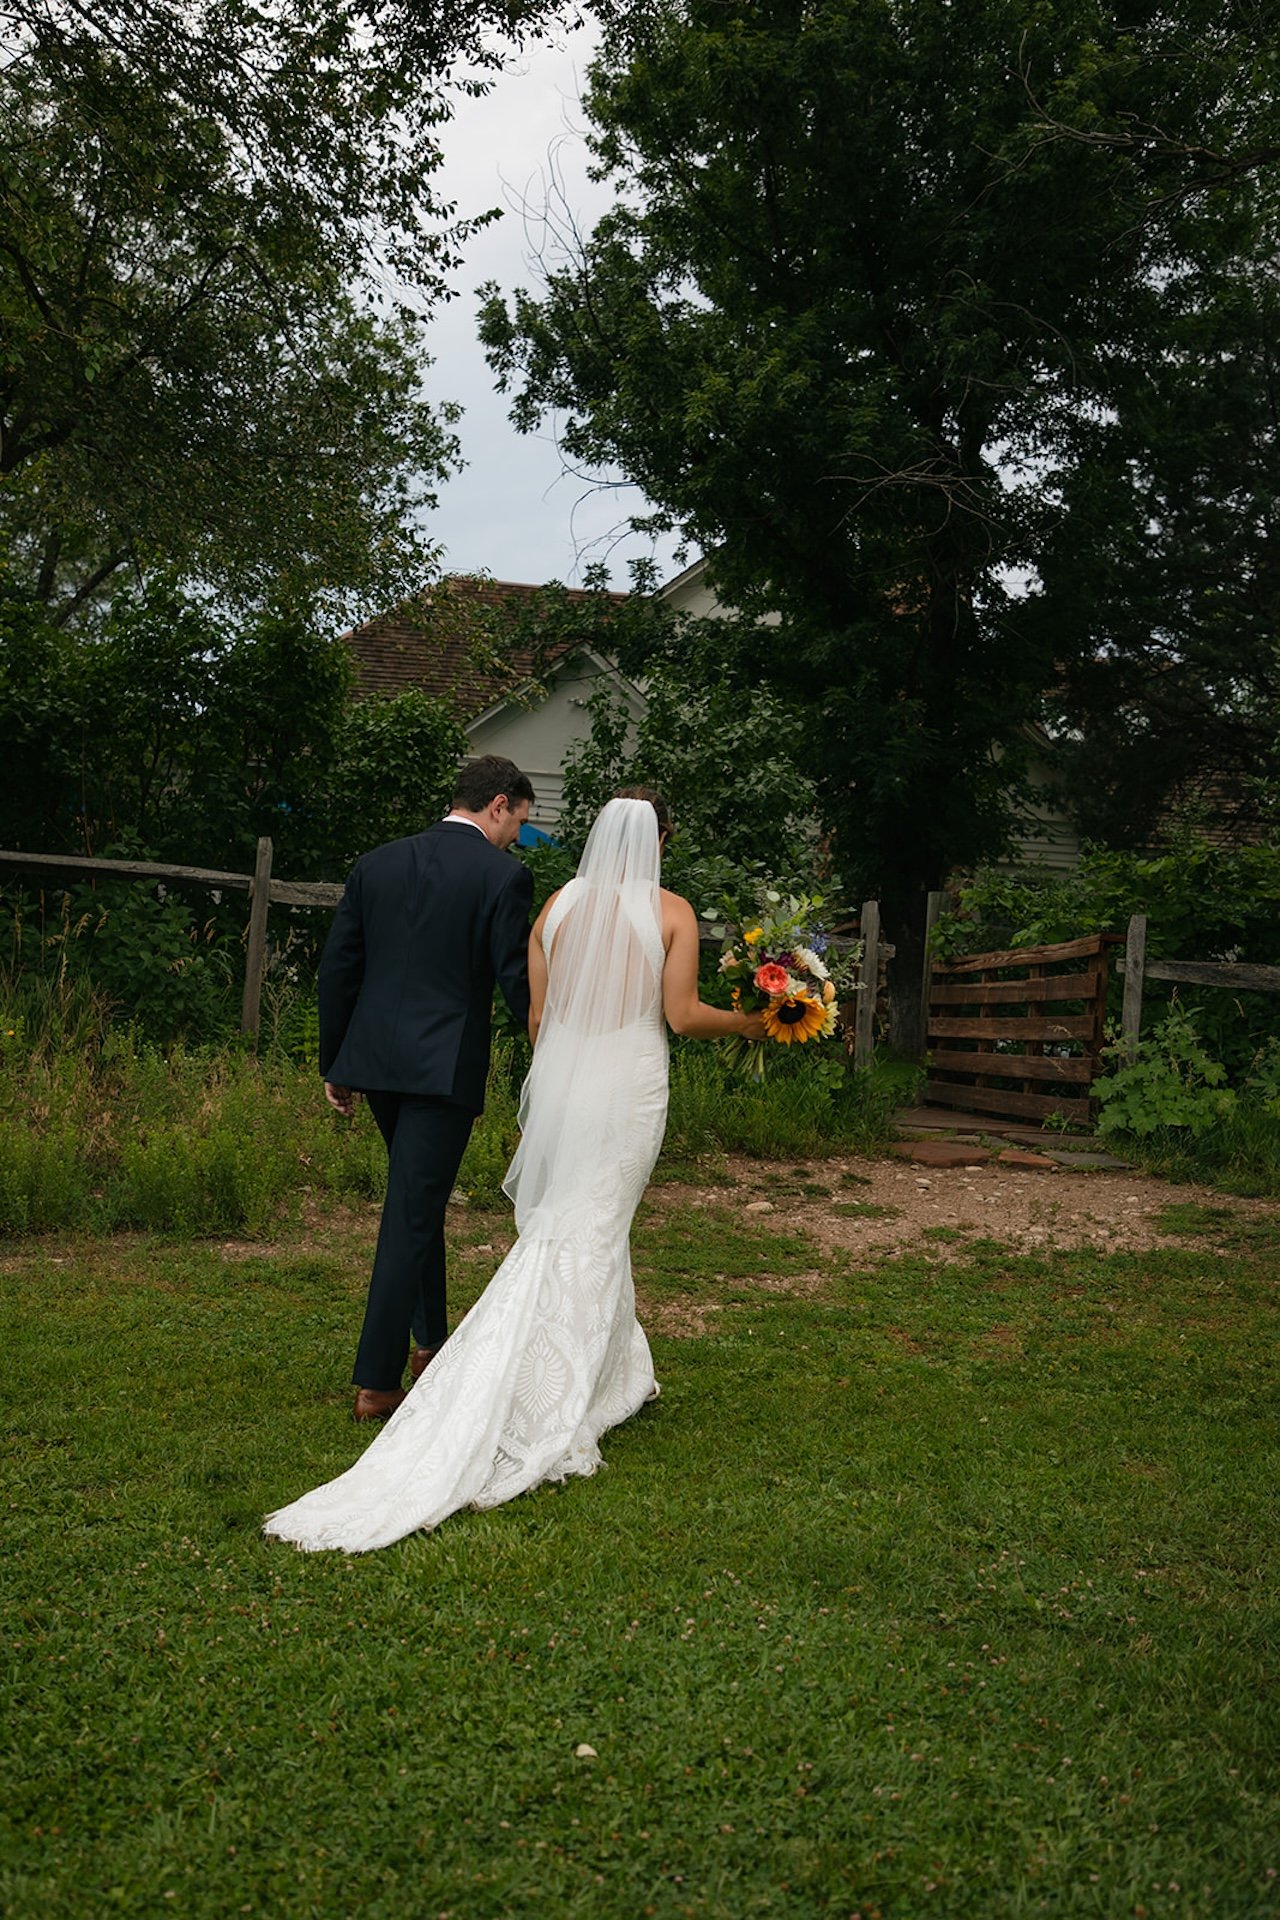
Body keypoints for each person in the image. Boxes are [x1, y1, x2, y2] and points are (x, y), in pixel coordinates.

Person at [265, 789, 767, 1552]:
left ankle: (616, 1368)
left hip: (566, 1087)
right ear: (659, 838)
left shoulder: (557, 905)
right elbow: (681, 1015)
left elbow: (537, 1018)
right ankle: (549, 1392)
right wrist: (756, 1020)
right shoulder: (672, 911)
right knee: (595, 1227)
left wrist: (560, 1073)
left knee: (577, 1222)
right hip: (629, 1084)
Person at [317, 754, 536, 1422]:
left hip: (376, 1061)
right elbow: (515, 982)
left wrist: (337, 1062)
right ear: (498, 803)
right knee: (410, 1211)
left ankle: (430, 1345)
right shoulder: (504, 877)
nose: (517, 840)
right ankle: (378, 1383)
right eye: (519, 824)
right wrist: (550, 1047)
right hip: (442, 1072)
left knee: (419, 1202)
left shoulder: (377, 862)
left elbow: (338, 969)